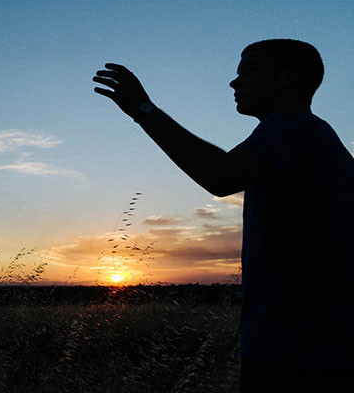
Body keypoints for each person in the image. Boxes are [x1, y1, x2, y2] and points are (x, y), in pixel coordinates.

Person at [92, 39, 354, 391]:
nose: (235, 82)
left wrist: (143, 109)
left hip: (295, 351)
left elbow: (220, 175)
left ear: (289, 77)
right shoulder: (319, 138)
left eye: (249, 70)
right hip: (319, 345)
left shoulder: (289, 127)